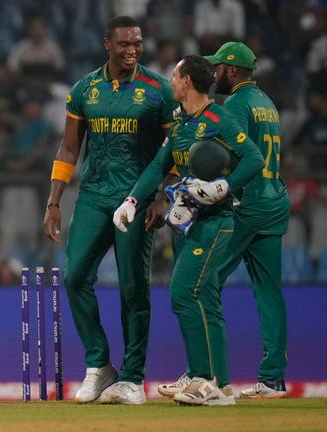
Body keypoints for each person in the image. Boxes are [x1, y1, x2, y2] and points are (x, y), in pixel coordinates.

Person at [114, 54, 264, 406]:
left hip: (216, 221)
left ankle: (202, 378)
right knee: (206, 300)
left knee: (183, 293)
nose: (170, 82)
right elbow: (158, 165)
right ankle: (221, 384)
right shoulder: (181, 122)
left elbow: (254, 158)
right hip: (187, 221)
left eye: (174, 76)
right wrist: (133, 201)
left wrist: (225, 186)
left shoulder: (218, 118)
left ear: (186, 83)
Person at [42, 16, 177, 405]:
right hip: (94, 196)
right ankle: (99, 365)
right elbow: (69, 149)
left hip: (137, 199)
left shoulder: (158, 90)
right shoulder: (85, 89)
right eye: (125, 44)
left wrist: (161, 194)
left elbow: (174, 149)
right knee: (74, 275)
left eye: (138, 43)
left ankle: (133, 378)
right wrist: (53, 201)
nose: (133, 50)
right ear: (107, 44)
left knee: (133, 287)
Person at [158, 42, 290, 400]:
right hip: (276, 201)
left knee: (202, 283)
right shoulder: (267, 104)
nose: (213, 74)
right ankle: (273, 379)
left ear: (232, 71)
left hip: (246, 206)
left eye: (218, 68)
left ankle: (206, 375)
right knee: (269, 291)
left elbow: (220, 161)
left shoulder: (232, 105)